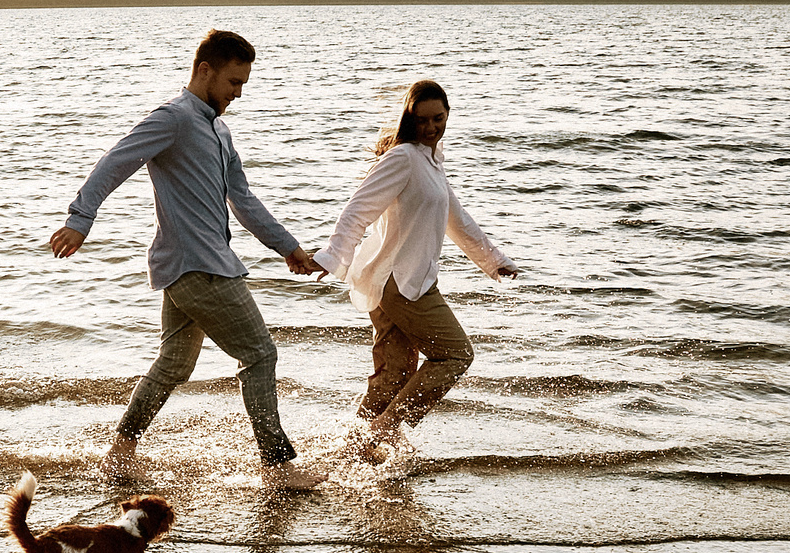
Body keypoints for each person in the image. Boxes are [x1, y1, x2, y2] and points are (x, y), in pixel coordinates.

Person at [47, 29, 330, 491]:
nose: (238, 94)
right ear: (205, 71)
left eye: (243, 85)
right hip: (199, 266)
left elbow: (242, 199)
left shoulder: (219, 129)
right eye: (234, 83)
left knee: (175, 363)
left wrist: (289, 249)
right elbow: (115, 161)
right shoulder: (174, 119)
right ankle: (277, 467)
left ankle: (119, 450)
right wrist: (81, 219)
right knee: (259, 353)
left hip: (198, 263)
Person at [313, 79, 521, 466]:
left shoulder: (431, 159)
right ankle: (388, 427)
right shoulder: (403, 158)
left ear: (447, 115)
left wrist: (494, 261)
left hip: (393, 281)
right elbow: (358, 209)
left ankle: (349, 455)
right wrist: (333, 255)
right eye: (422, 120)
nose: (430, 127)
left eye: (438, 119)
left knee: (394, 374)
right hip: (402, 284)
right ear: (409, 118)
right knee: (455, 355)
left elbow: (456, 219)